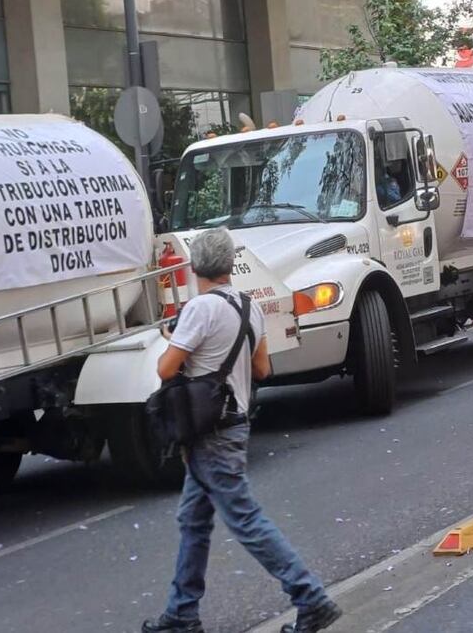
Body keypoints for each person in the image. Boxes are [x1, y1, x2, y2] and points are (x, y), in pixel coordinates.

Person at [144, 227, 342, 633]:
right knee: (193, 519)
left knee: (246, 520)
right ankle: (182, 613)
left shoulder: (199, 309)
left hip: (210, 433)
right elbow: (262, 369)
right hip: (233, 424)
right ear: (230, 265)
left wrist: (175, 341)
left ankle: (310, 597)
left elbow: (165, 369)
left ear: (195, 267)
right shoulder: (250, 307)